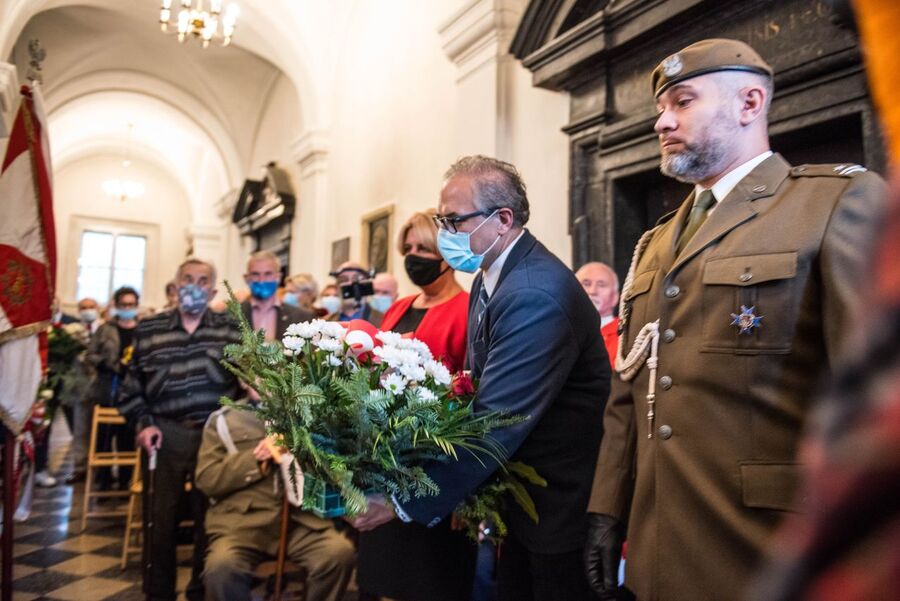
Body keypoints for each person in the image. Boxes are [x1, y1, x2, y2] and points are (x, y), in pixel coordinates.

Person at [584, 38, 887, 601]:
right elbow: (630, 390)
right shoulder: (654, 242)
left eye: (681, 102)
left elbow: (874, 401)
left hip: (766, 546)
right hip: (657, 544)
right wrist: (607, 508)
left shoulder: (833, 203)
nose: (661, 122)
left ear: (749, 104)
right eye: (659, 109)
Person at [352, 155, 611, 601]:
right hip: (522, 503)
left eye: (453, 221)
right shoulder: (494, 277)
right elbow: (473, 386)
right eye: (441, 219)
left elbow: (497, 421)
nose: (445, 233)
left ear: (502, 220)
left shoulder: (533, 292)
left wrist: (400, 500)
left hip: (559, 507)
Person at [356, 209, 474, 601]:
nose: (412, 256)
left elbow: (471, 396)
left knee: (427, 583)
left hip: (432, 474)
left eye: (423, 248)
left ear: (446, 254)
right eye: (407, 247)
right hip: (385, 469)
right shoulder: (399, 308)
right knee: (380, 581)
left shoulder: (468, 309)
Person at [119, 258, 241, 601]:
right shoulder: (149, 328)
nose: (194, 286)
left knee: (210, 521)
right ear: (175, 285)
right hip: (164, 434)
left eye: (203, 281)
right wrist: (143, 424)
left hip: (214, 436)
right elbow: (130, 391)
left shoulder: (230, 328)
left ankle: (200, 591)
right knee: (159, 522)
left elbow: (247, 382)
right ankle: (158, 593)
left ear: (213, 290)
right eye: (188, 279)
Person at [84, 286, 141, 490]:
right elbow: (90, 355)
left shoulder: (142, 329)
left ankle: (126, 481)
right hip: (107, 389)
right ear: (117, 305)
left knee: (127, 439)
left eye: (131, 304)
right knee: (104, 439)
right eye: (124, 304)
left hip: (132, 393)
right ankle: (104, 481)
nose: (128, 308)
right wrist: (107, 363)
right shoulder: (106, 329)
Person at [241, 251, 315, 341]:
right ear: (246, 278)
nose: (262, 280)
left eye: (268, 274)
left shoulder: (302, 318)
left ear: (278, 277)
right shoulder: (230, 315)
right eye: (255, 274)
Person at [575, 262, 620, 366]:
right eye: (586, 284)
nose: (592, 291)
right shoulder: (559, 330)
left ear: (615, 297)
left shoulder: (624, 335)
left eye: (601, 285)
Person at [329, 262, 384, 327]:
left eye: (357, 279)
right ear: (336, 287)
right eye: (343, 280)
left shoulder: (383, 321)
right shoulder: (326, 322)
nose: (350, 283)